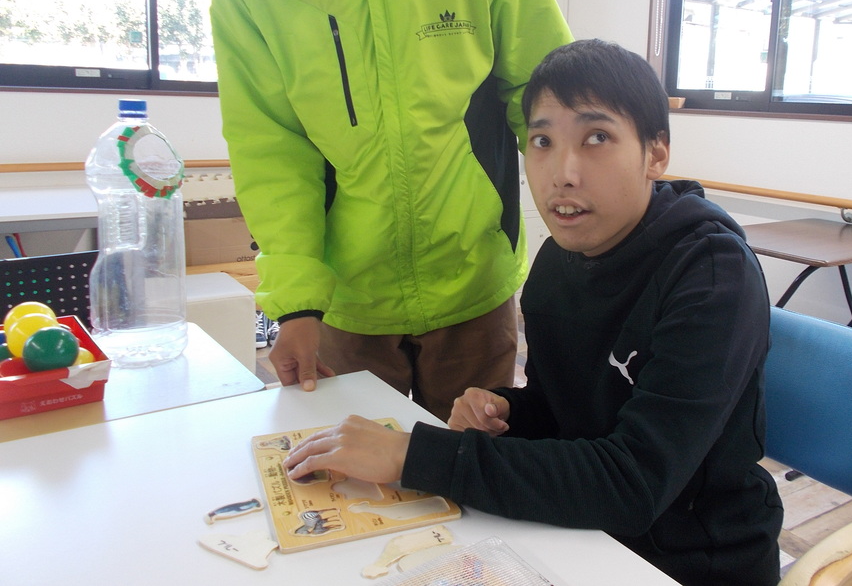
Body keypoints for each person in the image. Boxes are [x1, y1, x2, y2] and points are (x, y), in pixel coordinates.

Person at [280, 39, 784, 586]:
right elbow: (561, 409)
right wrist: (509, 411)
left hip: (689, 560)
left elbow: (633, 484)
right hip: (580, 536)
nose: (562, 173)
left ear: (655, 154)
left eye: (597, 138)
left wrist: (414, 456)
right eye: (542, 141)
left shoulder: (711, 274)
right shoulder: (559, 261)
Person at [210, 0, 572, 420]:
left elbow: (543, 93)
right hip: (345, 298)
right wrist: (297, 303)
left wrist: (584, 237)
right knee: (349, 467)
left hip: (473, 277)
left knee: (475, 462)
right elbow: (269, 145)